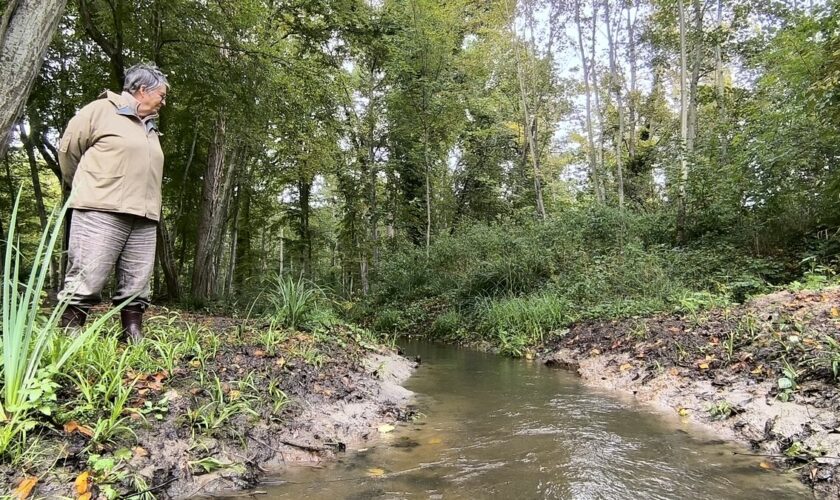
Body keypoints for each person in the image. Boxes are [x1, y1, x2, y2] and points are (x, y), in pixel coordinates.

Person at [57, 63, 168, 342]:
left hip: (144, 216)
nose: (163, 102)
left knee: (137, 281)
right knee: (87, 275)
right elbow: (69, 153)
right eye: (161, 95)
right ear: (142, 90)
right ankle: (68, 337)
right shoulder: (99, 111)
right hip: (101, 210)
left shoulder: (150, 128)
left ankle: (131, 333)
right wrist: (89, 190)